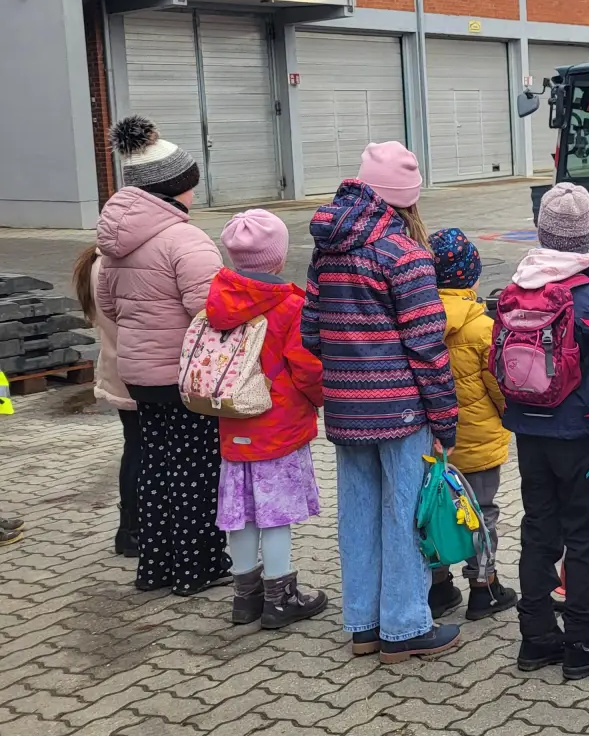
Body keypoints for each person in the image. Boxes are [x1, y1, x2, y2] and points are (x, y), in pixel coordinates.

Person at [302, 142, 462, 663]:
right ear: (407, 200)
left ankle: (364, 626)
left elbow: (311, 333)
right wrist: (445, 420)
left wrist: (350, 362)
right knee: (403, 515)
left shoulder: (326, 250)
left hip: (346, 410)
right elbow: (427, 348)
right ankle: (405, 626)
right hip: (400, 412)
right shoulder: (405, 256)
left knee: (358, 514)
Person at [96, 116, 228, 596]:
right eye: (190, 184)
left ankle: (155, 567)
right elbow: (210, 309)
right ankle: (197, 569)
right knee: (196, 472)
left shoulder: (113, 244)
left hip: (137, 374)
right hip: (182, 376)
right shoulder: (184, 239)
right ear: (174, 188)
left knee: (156, 469)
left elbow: (108, 305)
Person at [503, 183, 589, 679]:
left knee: (538, 528)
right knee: (583, 535)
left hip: (528, 431)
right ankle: (582, 640)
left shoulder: (518, 287)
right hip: (581, 434)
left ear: (542, 232)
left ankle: (535, 638)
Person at [210, 210, 328, 630]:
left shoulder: (220, 299)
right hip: (278, 428)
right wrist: (320, 400)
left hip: (233, 423)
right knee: (275, 515)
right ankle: (281, 597)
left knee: (240, 514)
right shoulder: (291, 305)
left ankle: (245, 598)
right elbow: (307, 367)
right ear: (278, 258)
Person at [428, 227, 518, 621]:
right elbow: (499, 385)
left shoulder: (418, 321)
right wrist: (506, 416)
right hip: (479, 442)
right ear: (472, 276)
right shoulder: (483, 328)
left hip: (431, 445)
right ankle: (484, 587)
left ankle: (439, 587)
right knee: (481, 514)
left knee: (432, 512)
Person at [73, 245, 141, 558]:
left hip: (116, 368)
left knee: (135, 448)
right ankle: (140, 530)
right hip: (144, 371)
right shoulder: (126, 264)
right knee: (147, 452)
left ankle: (129, 529)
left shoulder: (95, 263)